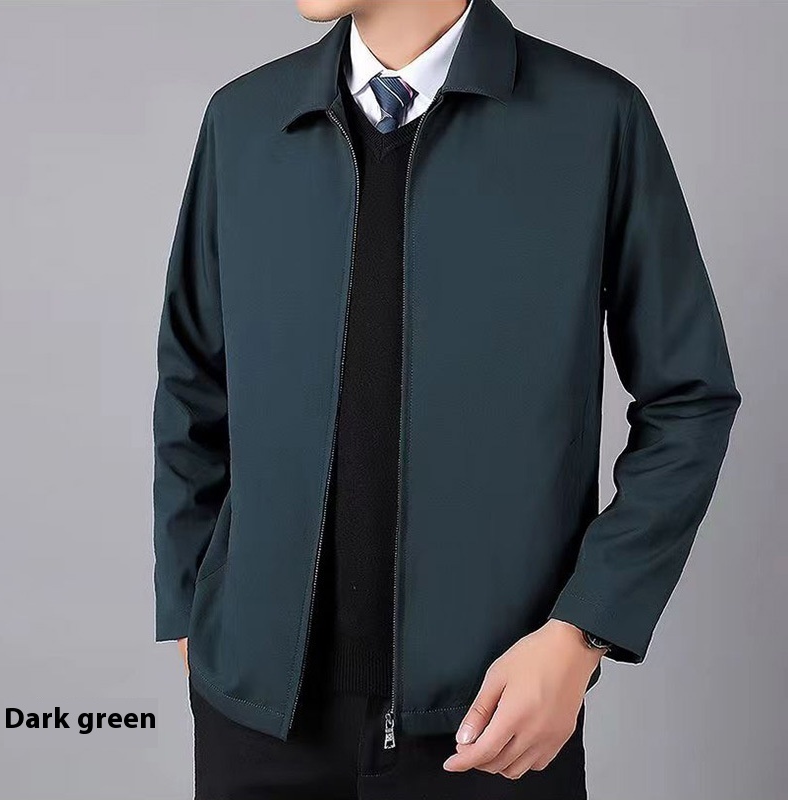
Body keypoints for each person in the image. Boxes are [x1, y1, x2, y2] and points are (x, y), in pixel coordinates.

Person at [152, 0, 741, 797]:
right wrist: (193, 606)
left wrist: (582, 633)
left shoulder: (594, 119)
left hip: (493, 717)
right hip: (255, 717)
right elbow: (192, 381)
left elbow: (689, 399)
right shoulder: (244, 120)